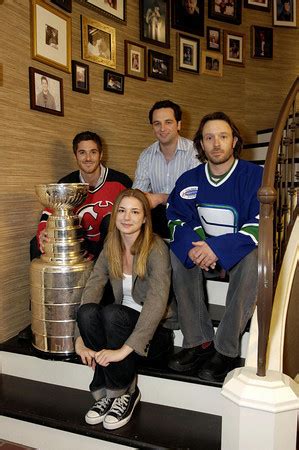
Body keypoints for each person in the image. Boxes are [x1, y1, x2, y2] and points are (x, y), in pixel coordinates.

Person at [167, 112, 263, 382]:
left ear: (234, 141)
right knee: (178, 254)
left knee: (254, 257)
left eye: (223, 136)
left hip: (238, 259)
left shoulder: (255, 176)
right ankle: (198, 342)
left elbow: (259, 224)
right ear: (201, 143)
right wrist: (197, 248)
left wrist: (217, 249)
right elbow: (175, 218)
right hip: (204, 258)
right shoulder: (189, 179)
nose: (216, 143)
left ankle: (226, 349)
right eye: (209, 137)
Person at [75, 189, 174, 429]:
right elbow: (93, 285)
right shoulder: (112, 244)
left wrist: (122, 351)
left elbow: (156, 302)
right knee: (87, 311)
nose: (127, 217)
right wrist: (79, 339)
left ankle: (123, 394)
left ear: (144, 218)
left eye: (135, 211)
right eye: (122, 210)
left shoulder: (157, 248)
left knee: (112, 314)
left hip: (154, 335)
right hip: (118, 327)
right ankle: (108, 393)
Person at [34, 131, 132, 261]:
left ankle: (104, 275)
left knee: (110, 222)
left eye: (93, 152)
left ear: (101, 154)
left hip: (112, 247)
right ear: (75, 156)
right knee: (34, 245)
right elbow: (50, 212)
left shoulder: (121, 182)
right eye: (82, 153)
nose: (88, 158)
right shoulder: (66, 183)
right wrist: (42, 233)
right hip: (80, 244)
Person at [132, 100, 199, 238]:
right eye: (157, 124)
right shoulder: (146, 155)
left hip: (189, 212)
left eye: (168, 122)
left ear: (179, 124)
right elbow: (138, 193)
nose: (162, 128)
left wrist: (160, 198)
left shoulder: (195, 152)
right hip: (158, 215)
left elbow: (195, 195)